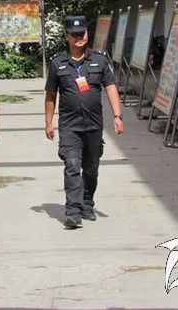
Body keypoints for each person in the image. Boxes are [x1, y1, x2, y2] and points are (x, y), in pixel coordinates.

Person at [44, 15, 124, 229]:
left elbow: (111, 88)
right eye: (75, 34)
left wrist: (117, 116)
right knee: (72, 165)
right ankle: (72, 211)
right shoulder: (58, 62)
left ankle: (87, 203)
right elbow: (51, 95)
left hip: (94, 125)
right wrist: (48, 122)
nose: (79, 37)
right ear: (67, 36)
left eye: (82, 33)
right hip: (69, 126)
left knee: (91, 168)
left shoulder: (100, 59)